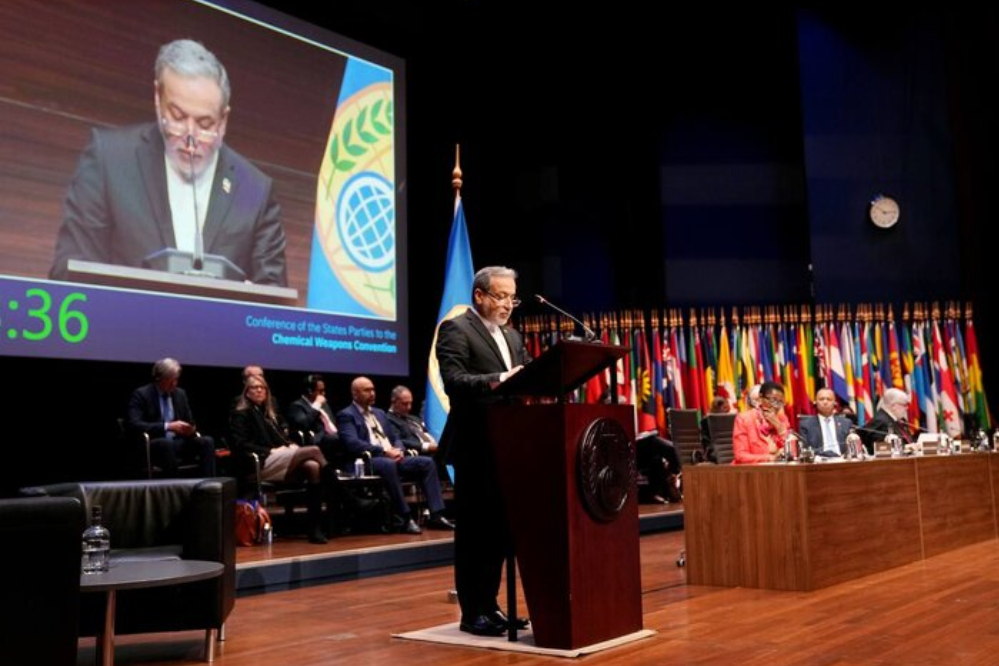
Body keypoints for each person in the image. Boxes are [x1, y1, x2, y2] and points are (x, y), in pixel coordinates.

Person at [49, 39, 287, 287]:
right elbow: (70, 272)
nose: (190, 137)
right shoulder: (110, 160)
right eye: (177, 117)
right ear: (157, 98)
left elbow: (274, 302)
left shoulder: (253, 189)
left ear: (224, 120)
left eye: (205, 124)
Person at [435, 266, 531, 637]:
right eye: (501, 296)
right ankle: (472, 611)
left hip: (509, 444)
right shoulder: (457, 329)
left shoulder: (512, 335)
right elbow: (454, 382)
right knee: (476, 532)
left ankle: (492, 607)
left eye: (512, 298)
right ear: (479, 295)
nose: (508, 304)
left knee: (499, 532)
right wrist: (499, 380)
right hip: (475, 443)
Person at [335, 376, 455, 535]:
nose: (372, 393)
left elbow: (395, 438)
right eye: (366, 390)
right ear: (355, 393)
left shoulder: (379, 413)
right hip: (366, 461)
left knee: (426, 463)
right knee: (388, 464)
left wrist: (398, 450)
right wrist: (384, 452)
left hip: (391, 457)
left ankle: (436, 515)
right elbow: (352, 443)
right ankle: (405, 517)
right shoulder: (346, 415)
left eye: (373, 389)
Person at [230, 374, 330, 544]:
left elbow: (279, 439)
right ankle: (346, 497)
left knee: (312, 466)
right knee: (314, 450)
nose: (260, 390)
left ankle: (314, 528)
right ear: (247, 392)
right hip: (259, 462)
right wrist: (272, 450)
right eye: (255, 387)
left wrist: (289, 445)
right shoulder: (241, 414)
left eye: (263, 388)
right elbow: (240, 445)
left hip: (276, 459)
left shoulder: (267, 414)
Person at [125, 357, 215, 477]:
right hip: (153, 444)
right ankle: (174, 489)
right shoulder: (142, 394)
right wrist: (167, 426)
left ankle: (208, 486)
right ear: (159, 378)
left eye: (176, 379)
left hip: (178, 442)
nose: (174, 383)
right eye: (170, 380)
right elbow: (134, 424)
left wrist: (190, 429)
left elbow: (190, 421)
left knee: (207, 441)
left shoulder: (180, 394)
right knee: (165, 444)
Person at [286, 374, 343, 464]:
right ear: (309, 391)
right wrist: (316, 405)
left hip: (332, 436)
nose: (323, 394)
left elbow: (333, 423)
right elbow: (303, 425)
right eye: (320, 391)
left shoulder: (324, 405)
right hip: (316, 438)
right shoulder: (297, 406)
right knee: (334, 439)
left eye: (324, 391)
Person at [732, 381, 789, 464]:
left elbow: (792, 451)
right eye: (773, 400)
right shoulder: (744, 419)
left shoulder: (782, 419)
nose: (776, 406)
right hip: (749, 471)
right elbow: (740, 455)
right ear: (760, 398)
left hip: (777, 470)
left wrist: (780, 428)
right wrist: (770, 458)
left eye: (780, 403)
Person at [798, 388, 853, 456]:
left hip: (843, 461)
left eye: (829, 399)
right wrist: (828, 454)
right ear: (815, 402)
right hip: (818, 463)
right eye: (821, 399)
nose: (825, 402)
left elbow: (852, 447)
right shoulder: (805, 424)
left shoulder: (846, 423)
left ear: (835, 403)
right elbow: (805, 450)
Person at [385, 385, 438, 455]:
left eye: (410, 403)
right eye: (405, 404)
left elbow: (426, 433)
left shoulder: (414, 418)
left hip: (436, 449)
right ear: (393, 402)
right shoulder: (388, 419)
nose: (409, 407)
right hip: (419, 453)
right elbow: (399, 441)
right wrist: (426, 446)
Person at [860, 388, 914, 453]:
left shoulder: (900, 420)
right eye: (904, 405)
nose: (907, 408)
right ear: (893, 406)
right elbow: (879, 449)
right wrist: (907, 447)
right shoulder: (880, 422)